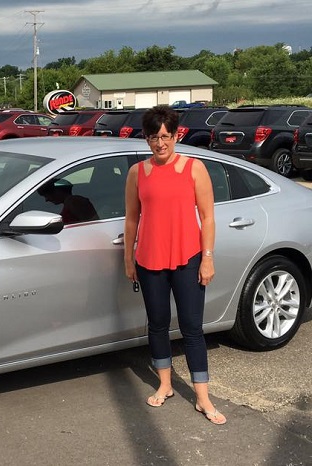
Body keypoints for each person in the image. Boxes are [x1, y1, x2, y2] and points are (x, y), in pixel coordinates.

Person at [123, 105, 226, 425]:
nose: (160, 143)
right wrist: (128, 258)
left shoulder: (194, 169)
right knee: (157, 324)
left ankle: (202, 397)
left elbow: (208, 218)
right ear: (146, 138)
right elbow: (131, 219)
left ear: (177, 135)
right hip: (150, 260)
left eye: (166, 136)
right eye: (154, 137)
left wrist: (207, 258)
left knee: (193, 328)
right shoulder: (137, 173)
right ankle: (165, 384)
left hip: (188, 259)